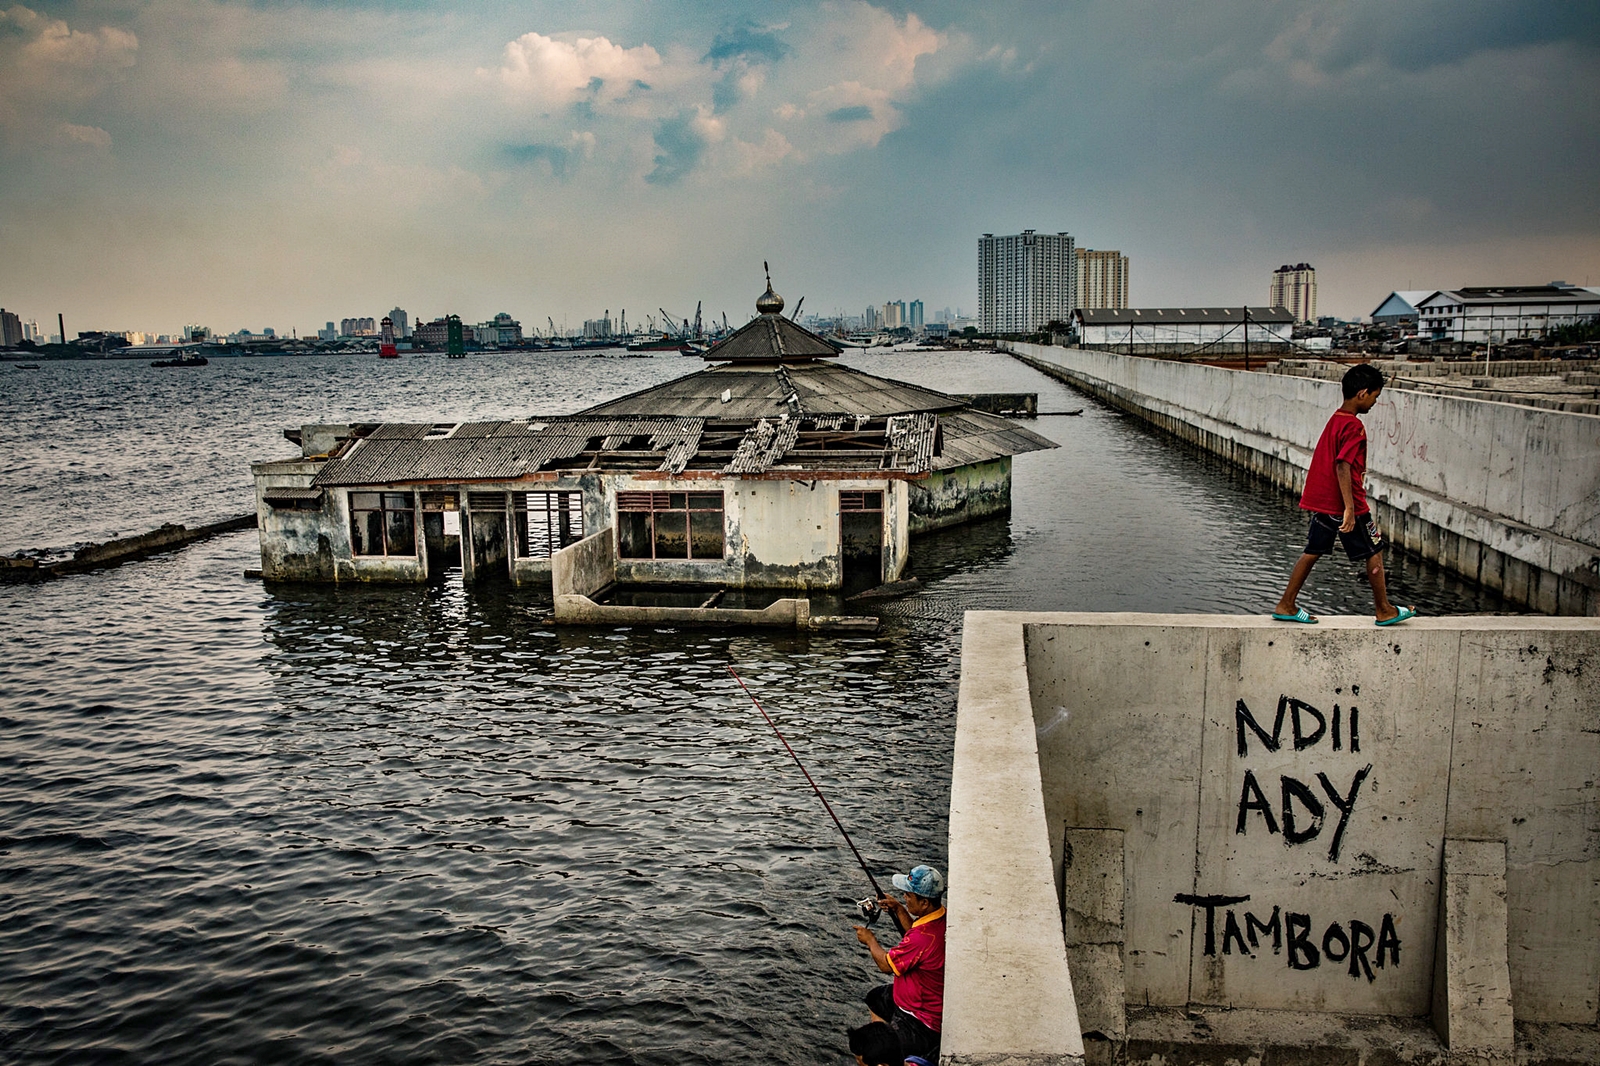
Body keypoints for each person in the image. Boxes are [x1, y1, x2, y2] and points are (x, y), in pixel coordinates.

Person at [1273, 363, 1416, 627]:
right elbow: (1343, 464)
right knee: (1374, 548)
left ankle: (1286, 603)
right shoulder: (1354, 427)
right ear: (1363, 393)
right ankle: (1384, 610)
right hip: (1346, 503)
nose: (1374, 403)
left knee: (1313, 550)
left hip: (1325, 501)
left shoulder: (1336, 419)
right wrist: (1350, 508)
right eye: (1375, 396)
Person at [854, 864, 946, 1064]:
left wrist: (870, 940)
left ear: (923, 903)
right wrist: (898, 908)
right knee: (875, 998)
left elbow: (886, 964)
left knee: (869, 1056)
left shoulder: (921, 938)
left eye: (909, 895)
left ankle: (886, 1055)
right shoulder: (939, 918)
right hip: (916, 999)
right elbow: (912, 930)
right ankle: (883, 1038)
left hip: (920, 1019)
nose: (905, 897)